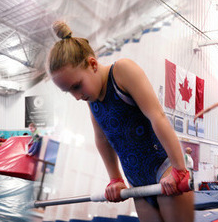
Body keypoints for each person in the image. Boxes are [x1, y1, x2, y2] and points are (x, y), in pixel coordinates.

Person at [48, 21, 193, 221]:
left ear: (92, 64)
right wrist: (115, 178)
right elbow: (102, 139)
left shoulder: (122, 71)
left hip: (165, 168)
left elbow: (157, 116)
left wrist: (179, 169)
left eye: (77, 86)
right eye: (69, 92)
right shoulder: (93, 99)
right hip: (137, 181)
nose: (76, 96)